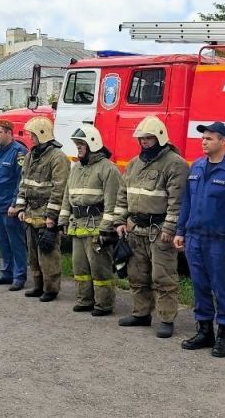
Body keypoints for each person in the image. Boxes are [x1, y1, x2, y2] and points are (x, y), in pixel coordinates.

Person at [173, 121, 225, 357]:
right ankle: (205, 331)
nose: (204, 141)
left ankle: (224, 335)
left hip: (220, 240)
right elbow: (187, 201)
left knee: (222, 288)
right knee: (200, 286)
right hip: (195, 238)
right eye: (203, 138)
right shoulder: (195, 167)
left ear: (223, 141)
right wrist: (180, 230)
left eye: (210, 138)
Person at [111, 116, 189, 338]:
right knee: (137, 275)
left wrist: (169, 228)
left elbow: (178, 201)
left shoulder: (175, 164)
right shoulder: (134, 163)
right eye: (141, 138)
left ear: (160, 138)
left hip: (159, 231)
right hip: (135, 229)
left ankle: (166, 319)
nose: (144, 142)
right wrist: (119, 221)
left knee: (162, 276)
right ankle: (141, 313)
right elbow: (122, 195)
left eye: (148, 138)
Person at [59, 125, 120, 316]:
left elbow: (113, 202)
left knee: (100, 269)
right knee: (80, 268)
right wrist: (63, 219)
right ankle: (84, 300)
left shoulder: (108, 169)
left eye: (81, 144)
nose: (78, 147)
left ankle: (103, 304)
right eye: (77, 144)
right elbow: (67, 197)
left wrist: (106, 228)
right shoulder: (76, 167)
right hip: (77, 226)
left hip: (96, 226)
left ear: (93, 144)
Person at [11, 116, 69, 302]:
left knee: (48, 254)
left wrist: (52, 216)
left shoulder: (57, 157)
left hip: (45, 214)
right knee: (33, 253)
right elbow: (24, 184)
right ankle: (38, 285)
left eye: (33, 135)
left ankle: (51, 289)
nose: (30, 138)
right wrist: (20, 207)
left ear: (43, 135)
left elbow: (59, 188)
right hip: (30, 213)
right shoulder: (30, 155)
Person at [0, 119, 28, 291]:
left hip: (9, 208)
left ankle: (19, 276)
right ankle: (6, 272)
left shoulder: (19, 153)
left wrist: (15, 204)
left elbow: (20, 181)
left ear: (10, 133)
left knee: (16, 242)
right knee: (3, 242)